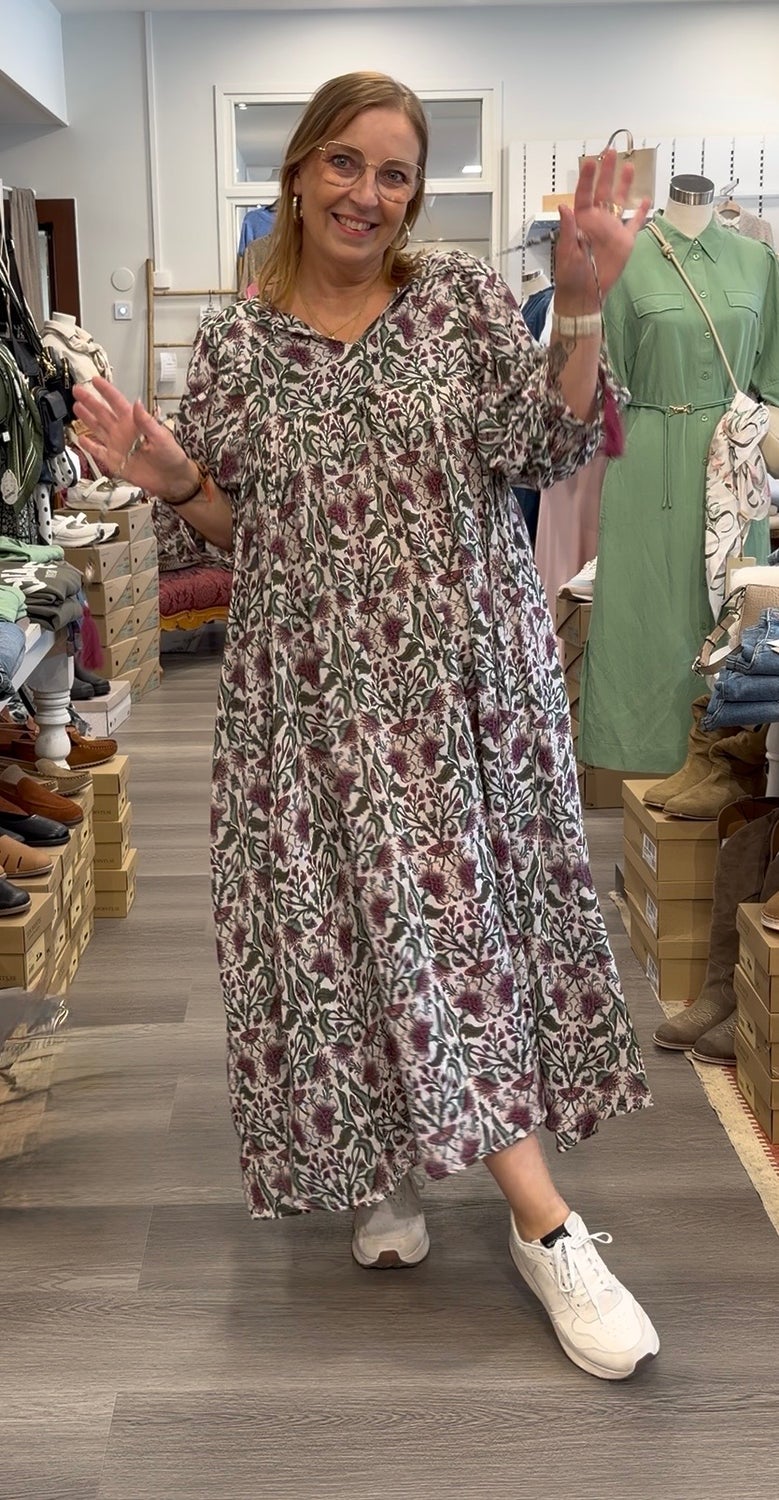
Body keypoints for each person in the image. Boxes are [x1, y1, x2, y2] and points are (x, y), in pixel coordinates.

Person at [73, 71, 659, 1382]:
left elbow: (545, 450)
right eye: (345, 163)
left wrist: (578, 309)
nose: (368, 195)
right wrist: (176, 477)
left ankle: (546, 1225)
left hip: (467, 682)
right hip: (311, 691)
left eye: (395, 174)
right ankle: (387, 1154)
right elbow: (239, 528)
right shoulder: (236, 344)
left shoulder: (456, 302)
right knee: (345, 927)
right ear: (298, 172)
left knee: (458, 930)